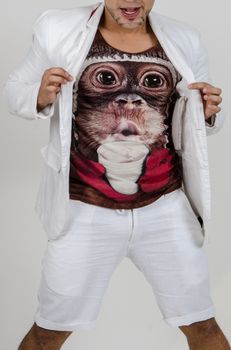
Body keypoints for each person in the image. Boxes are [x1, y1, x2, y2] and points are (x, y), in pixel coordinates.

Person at [3, 1, 230, 349]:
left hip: (165, 208)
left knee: (203, 325)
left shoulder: (184, 39)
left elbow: (198, 121)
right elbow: (15, 87)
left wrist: (208, 113)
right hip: (82, 209)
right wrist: (37, 94)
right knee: (49, 331)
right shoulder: (58, 29)